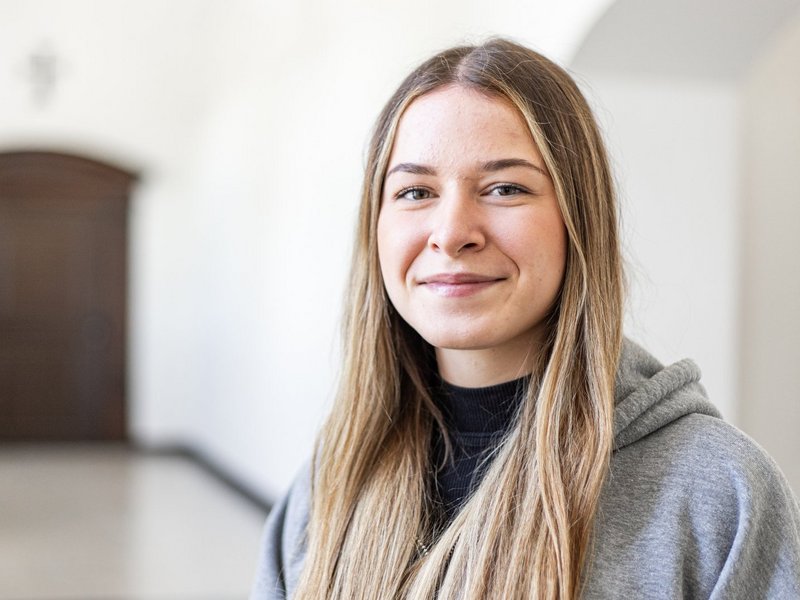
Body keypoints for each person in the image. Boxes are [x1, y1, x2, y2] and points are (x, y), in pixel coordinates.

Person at [250, 38, 800, 599]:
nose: (451, 233)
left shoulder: (715, 496)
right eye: (415, 191)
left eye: (505, 188)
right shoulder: (330, 483)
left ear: (578, 218)